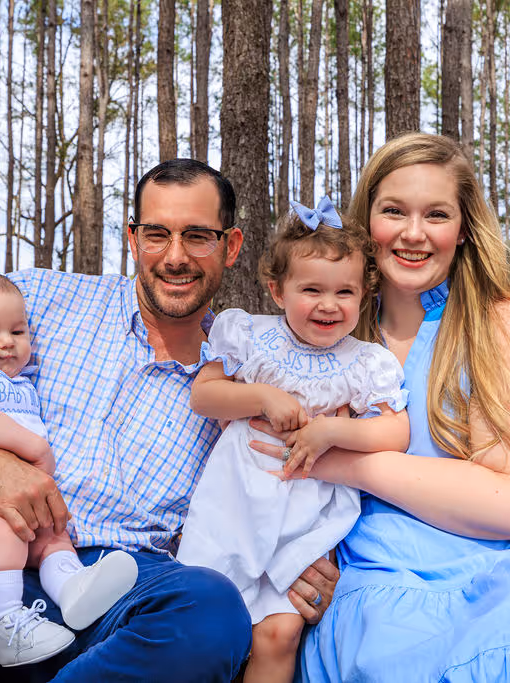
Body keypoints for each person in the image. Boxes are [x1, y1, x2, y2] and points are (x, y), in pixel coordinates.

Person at [0, 159, 336, 682]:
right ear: (132, 239)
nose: (175, 256)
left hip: (121, 595)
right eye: (156, 234)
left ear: (231, 245)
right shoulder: (38, 300)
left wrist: (286, 558)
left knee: (210, 611)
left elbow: (276, 490)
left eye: (198, 236)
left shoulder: (245, 373)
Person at [250, 133, 510, 682]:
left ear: (464, 229)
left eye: (437, 214)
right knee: (382, 643)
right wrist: (292, 552)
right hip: (377, 565)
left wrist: (335, 459)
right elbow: (262, 458)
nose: (413, 233)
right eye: (394, 211)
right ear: (366, 220)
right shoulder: (326, 327)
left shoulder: (501, 322)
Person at [177, 197, 409, 683]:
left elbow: (396, 431)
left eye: (344, 292)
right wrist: (260, 397)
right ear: (278, 290)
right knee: (201, 613)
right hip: (236, 501)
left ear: (364, 296)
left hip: (308, 515)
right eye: (311, 289)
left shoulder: (366, 361)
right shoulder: (250, 336)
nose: (329, 305)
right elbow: (204, 396)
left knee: (280, 632)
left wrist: (332, 430)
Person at [0, 269, 139, 667]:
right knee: (7, 530)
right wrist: (38, 450)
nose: (6, 342)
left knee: (54, 534)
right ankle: (6, 625)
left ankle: (73, 588)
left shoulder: (23, 385)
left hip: (11, 495)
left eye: (18, 332)